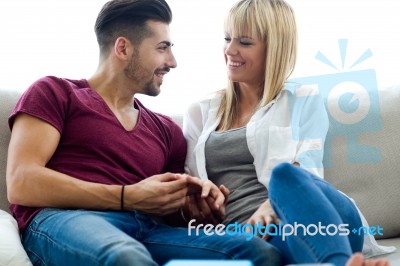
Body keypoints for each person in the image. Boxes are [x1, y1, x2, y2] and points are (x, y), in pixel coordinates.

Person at [6, 0, 283, 265]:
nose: (172, 62)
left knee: (256, 253)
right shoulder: (56, 93)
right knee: (125, 256)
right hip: (66, 220)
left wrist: (195, 206)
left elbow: (174, 214)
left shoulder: (167, 131)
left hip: (147, 229)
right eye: (162, 48)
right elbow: (22, 182)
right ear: (123, 49)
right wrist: (127, 196)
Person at [183, 0, 392, 265]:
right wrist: (196, 203)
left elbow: (310, 169)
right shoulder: (199, 112)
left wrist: (274, 204)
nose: (230, 50)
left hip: (322, 217)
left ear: (274, 49)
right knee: (279, 243)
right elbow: (189, 186)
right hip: (248, 234)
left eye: (245, 42)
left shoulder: (303, 99)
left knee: (286, 175)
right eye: (227, 38)